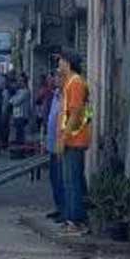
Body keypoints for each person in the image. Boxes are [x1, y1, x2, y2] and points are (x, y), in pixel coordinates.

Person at [57, 51, 92, 235]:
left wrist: (64, 137)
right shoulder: (70, 82)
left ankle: (76, 221)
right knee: (71, 180)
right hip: (72, 138)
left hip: (74, 139)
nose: (59, 63)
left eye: (61, 60)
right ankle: (73, 219)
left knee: (72, 182)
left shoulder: (76, 83)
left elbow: (76, 112)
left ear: (68, 63)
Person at [44, 75, 65, 222]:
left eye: (57, 76)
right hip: (52, 144)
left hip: (61, 145)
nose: (53, 79)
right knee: (54, 178)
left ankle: (65, 211)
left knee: (61, 179)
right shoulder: (55, 96)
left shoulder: (66, 96)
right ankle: (58, 207)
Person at [9, 75, 32, 145]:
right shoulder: (18, 91)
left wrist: (13, 99)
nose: (19, 83)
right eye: (19, 81)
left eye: (21, 81)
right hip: (17, 115)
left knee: (20, 134)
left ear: (24, 82)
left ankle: (21, 148)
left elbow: (16, 101)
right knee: (18, 133)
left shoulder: (26, 92)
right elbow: (11, 100)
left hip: (22, 115)